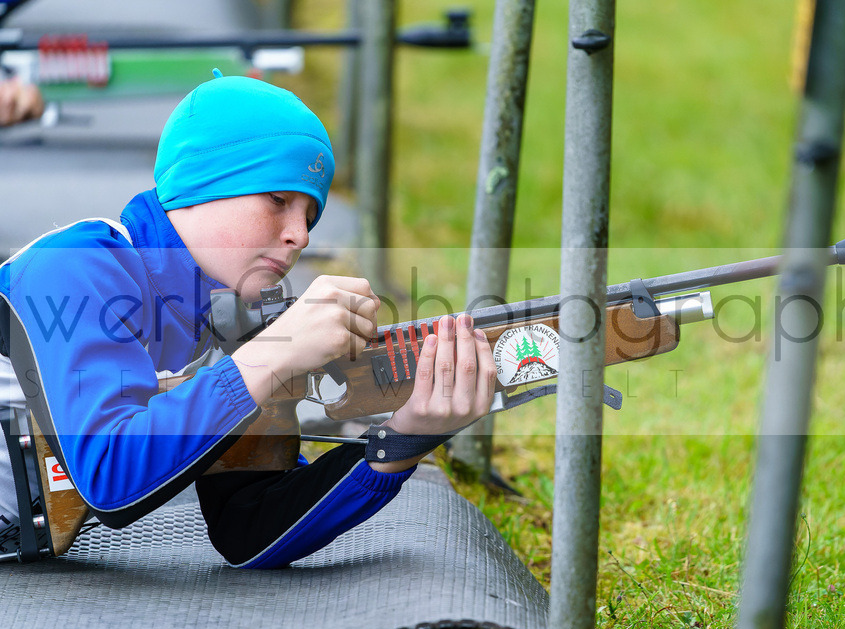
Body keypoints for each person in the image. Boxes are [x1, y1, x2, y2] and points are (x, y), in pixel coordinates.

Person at [0, 73, 496, 567]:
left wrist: (405, 437)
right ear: (203, 182)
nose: (301, 235)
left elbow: (249, 525)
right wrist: (270, 358)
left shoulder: (233, 320)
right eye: (278, 200)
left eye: (310, 215)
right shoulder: (74, 265)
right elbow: (109, 479)